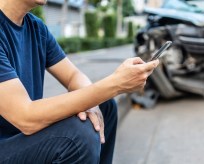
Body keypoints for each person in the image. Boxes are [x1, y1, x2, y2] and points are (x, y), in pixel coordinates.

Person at [0, 0, 159, 163]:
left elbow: (73, 76)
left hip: (21, 139)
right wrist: (115, 84)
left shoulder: (35, 27)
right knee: (77, 135)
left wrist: (91, 104)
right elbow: (25, 117)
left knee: (104, 106)